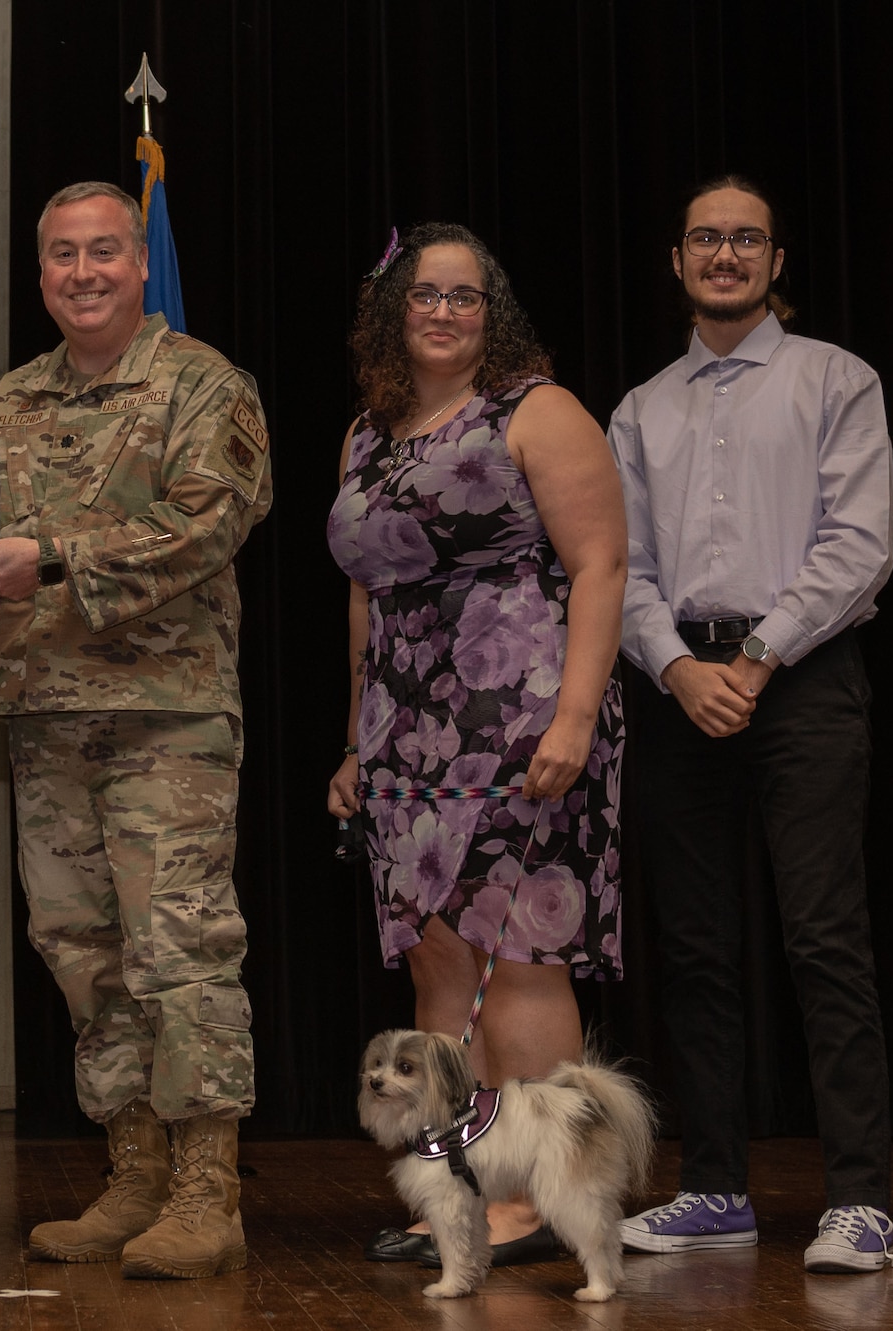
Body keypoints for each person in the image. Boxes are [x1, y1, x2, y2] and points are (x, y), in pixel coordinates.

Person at [0, 181, 270, 1280]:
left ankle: (208, 1187)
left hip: (166, 714)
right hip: (42, 718)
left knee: (180, 944)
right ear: (39, 275)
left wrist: (53, 554)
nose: (82, 272)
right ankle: (133, 1173)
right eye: (61, 256)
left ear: (137, 263)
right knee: (81, 955)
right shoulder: (6, 403)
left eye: (103, 252)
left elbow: (210, 519)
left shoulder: (203, 383)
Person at [609, 177, 893, 1274]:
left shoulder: (836, 379)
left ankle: (858, 1200)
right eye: (702, 239)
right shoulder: (639, 407)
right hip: (679, 685)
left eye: (744, 239)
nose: (722, 255)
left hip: (805, 679)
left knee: (823, 935)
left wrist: (758, 655)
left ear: (775, 260)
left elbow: (859, 543)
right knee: (691, 946)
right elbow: (619, 566)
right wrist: (680, 665)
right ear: (675, 261)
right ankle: (714, 1185)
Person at [325, 222, 627, 1268]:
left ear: (490, 312)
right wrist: (357, 739)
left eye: (464, 295)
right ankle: (461, 1189)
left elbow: (600, 563)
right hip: (406, 729)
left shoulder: (534, 410)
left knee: (523, 956)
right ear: (390, 311)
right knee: (439, 966)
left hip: (519, 711)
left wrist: (576, 716)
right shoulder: (368, 432)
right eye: (423, 294)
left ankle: (542, 1194)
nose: (443, 312)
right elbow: (366, 593)